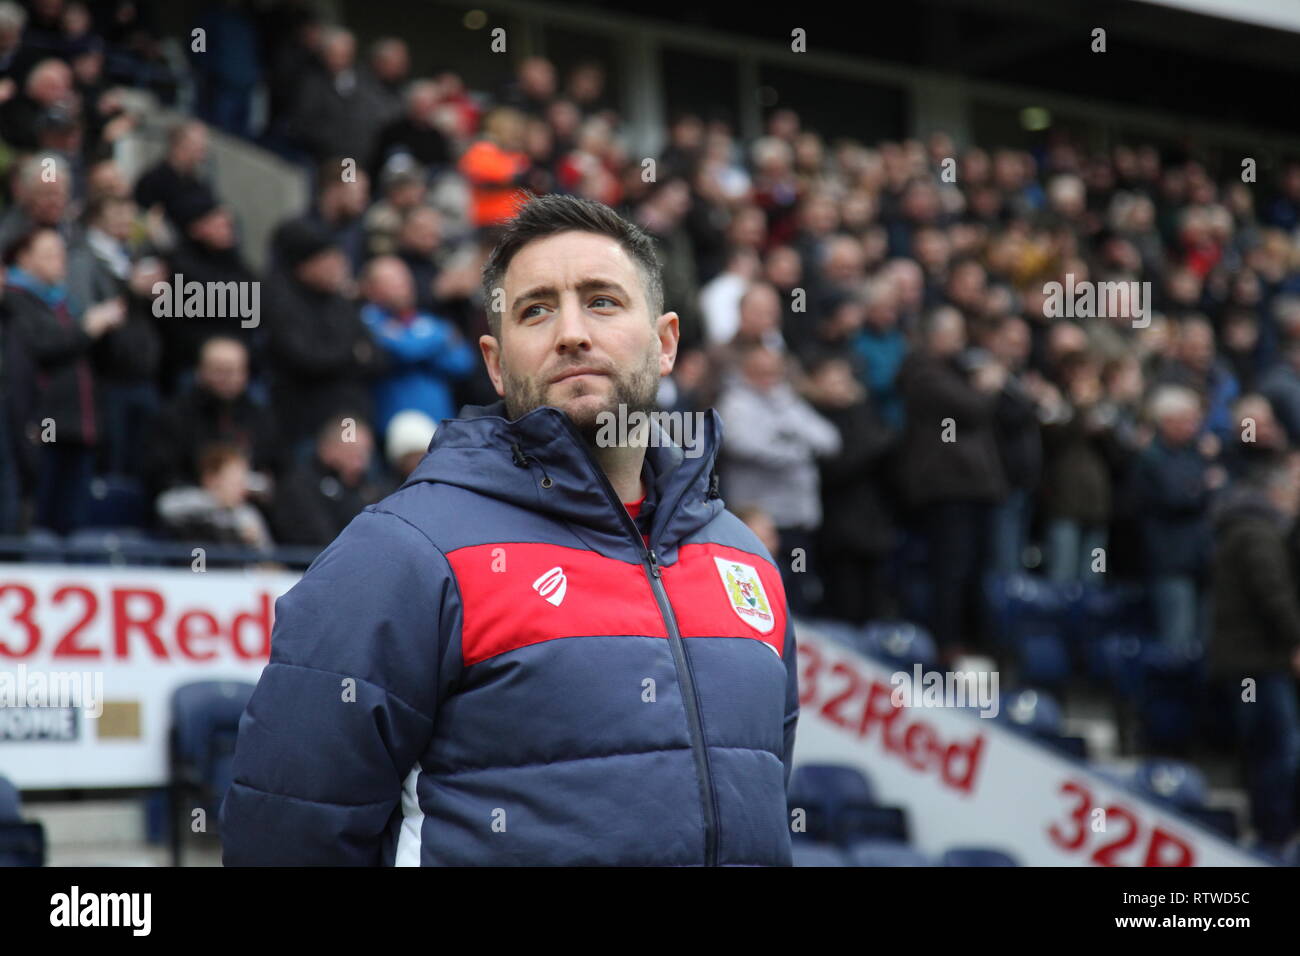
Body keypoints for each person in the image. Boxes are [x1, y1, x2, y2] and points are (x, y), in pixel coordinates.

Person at [222, 194, 800, 866]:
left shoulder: (746, 564)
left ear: (666, 342)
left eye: (603, 301)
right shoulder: (402, 554)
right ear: (496, 363)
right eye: (536, 309)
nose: (573, 332)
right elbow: (288, 837)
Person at [1208, 453, 1300, 854]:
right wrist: (1298, 640)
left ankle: (1271, 832)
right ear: (1278, 493)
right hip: (1257, 664)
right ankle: (1275, 837)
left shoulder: (1240, 528)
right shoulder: (1260, 534)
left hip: (1245, 663)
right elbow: (1274, 596)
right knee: (1278, 749)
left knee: (1267, 748)